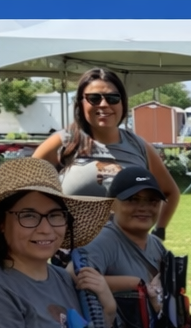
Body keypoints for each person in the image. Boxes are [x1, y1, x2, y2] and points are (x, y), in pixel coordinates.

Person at [0, 158, 115, 328]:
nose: (45, 229)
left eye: (55, 215)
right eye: (28, 215)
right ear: (1, 224)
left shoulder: (63, 279)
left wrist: (108, 308)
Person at [32, 68, 180, 234]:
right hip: (72, 254)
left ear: (122, 102)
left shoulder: (139, 146)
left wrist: (159, 231)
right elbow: (24, 191)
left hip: (126, 253)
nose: (104, 104)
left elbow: (170, 191)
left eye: (112, 98)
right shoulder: (64, 142)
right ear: (81, 102)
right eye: (94, 98)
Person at [77, 165, 168, 308]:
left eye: (152, 200)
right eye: (133, 199)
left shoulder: (156, 245)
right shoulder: (103, 241)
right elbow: (74, 276)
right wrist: (136, 283)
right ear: (111, 204)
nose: (143, 207)